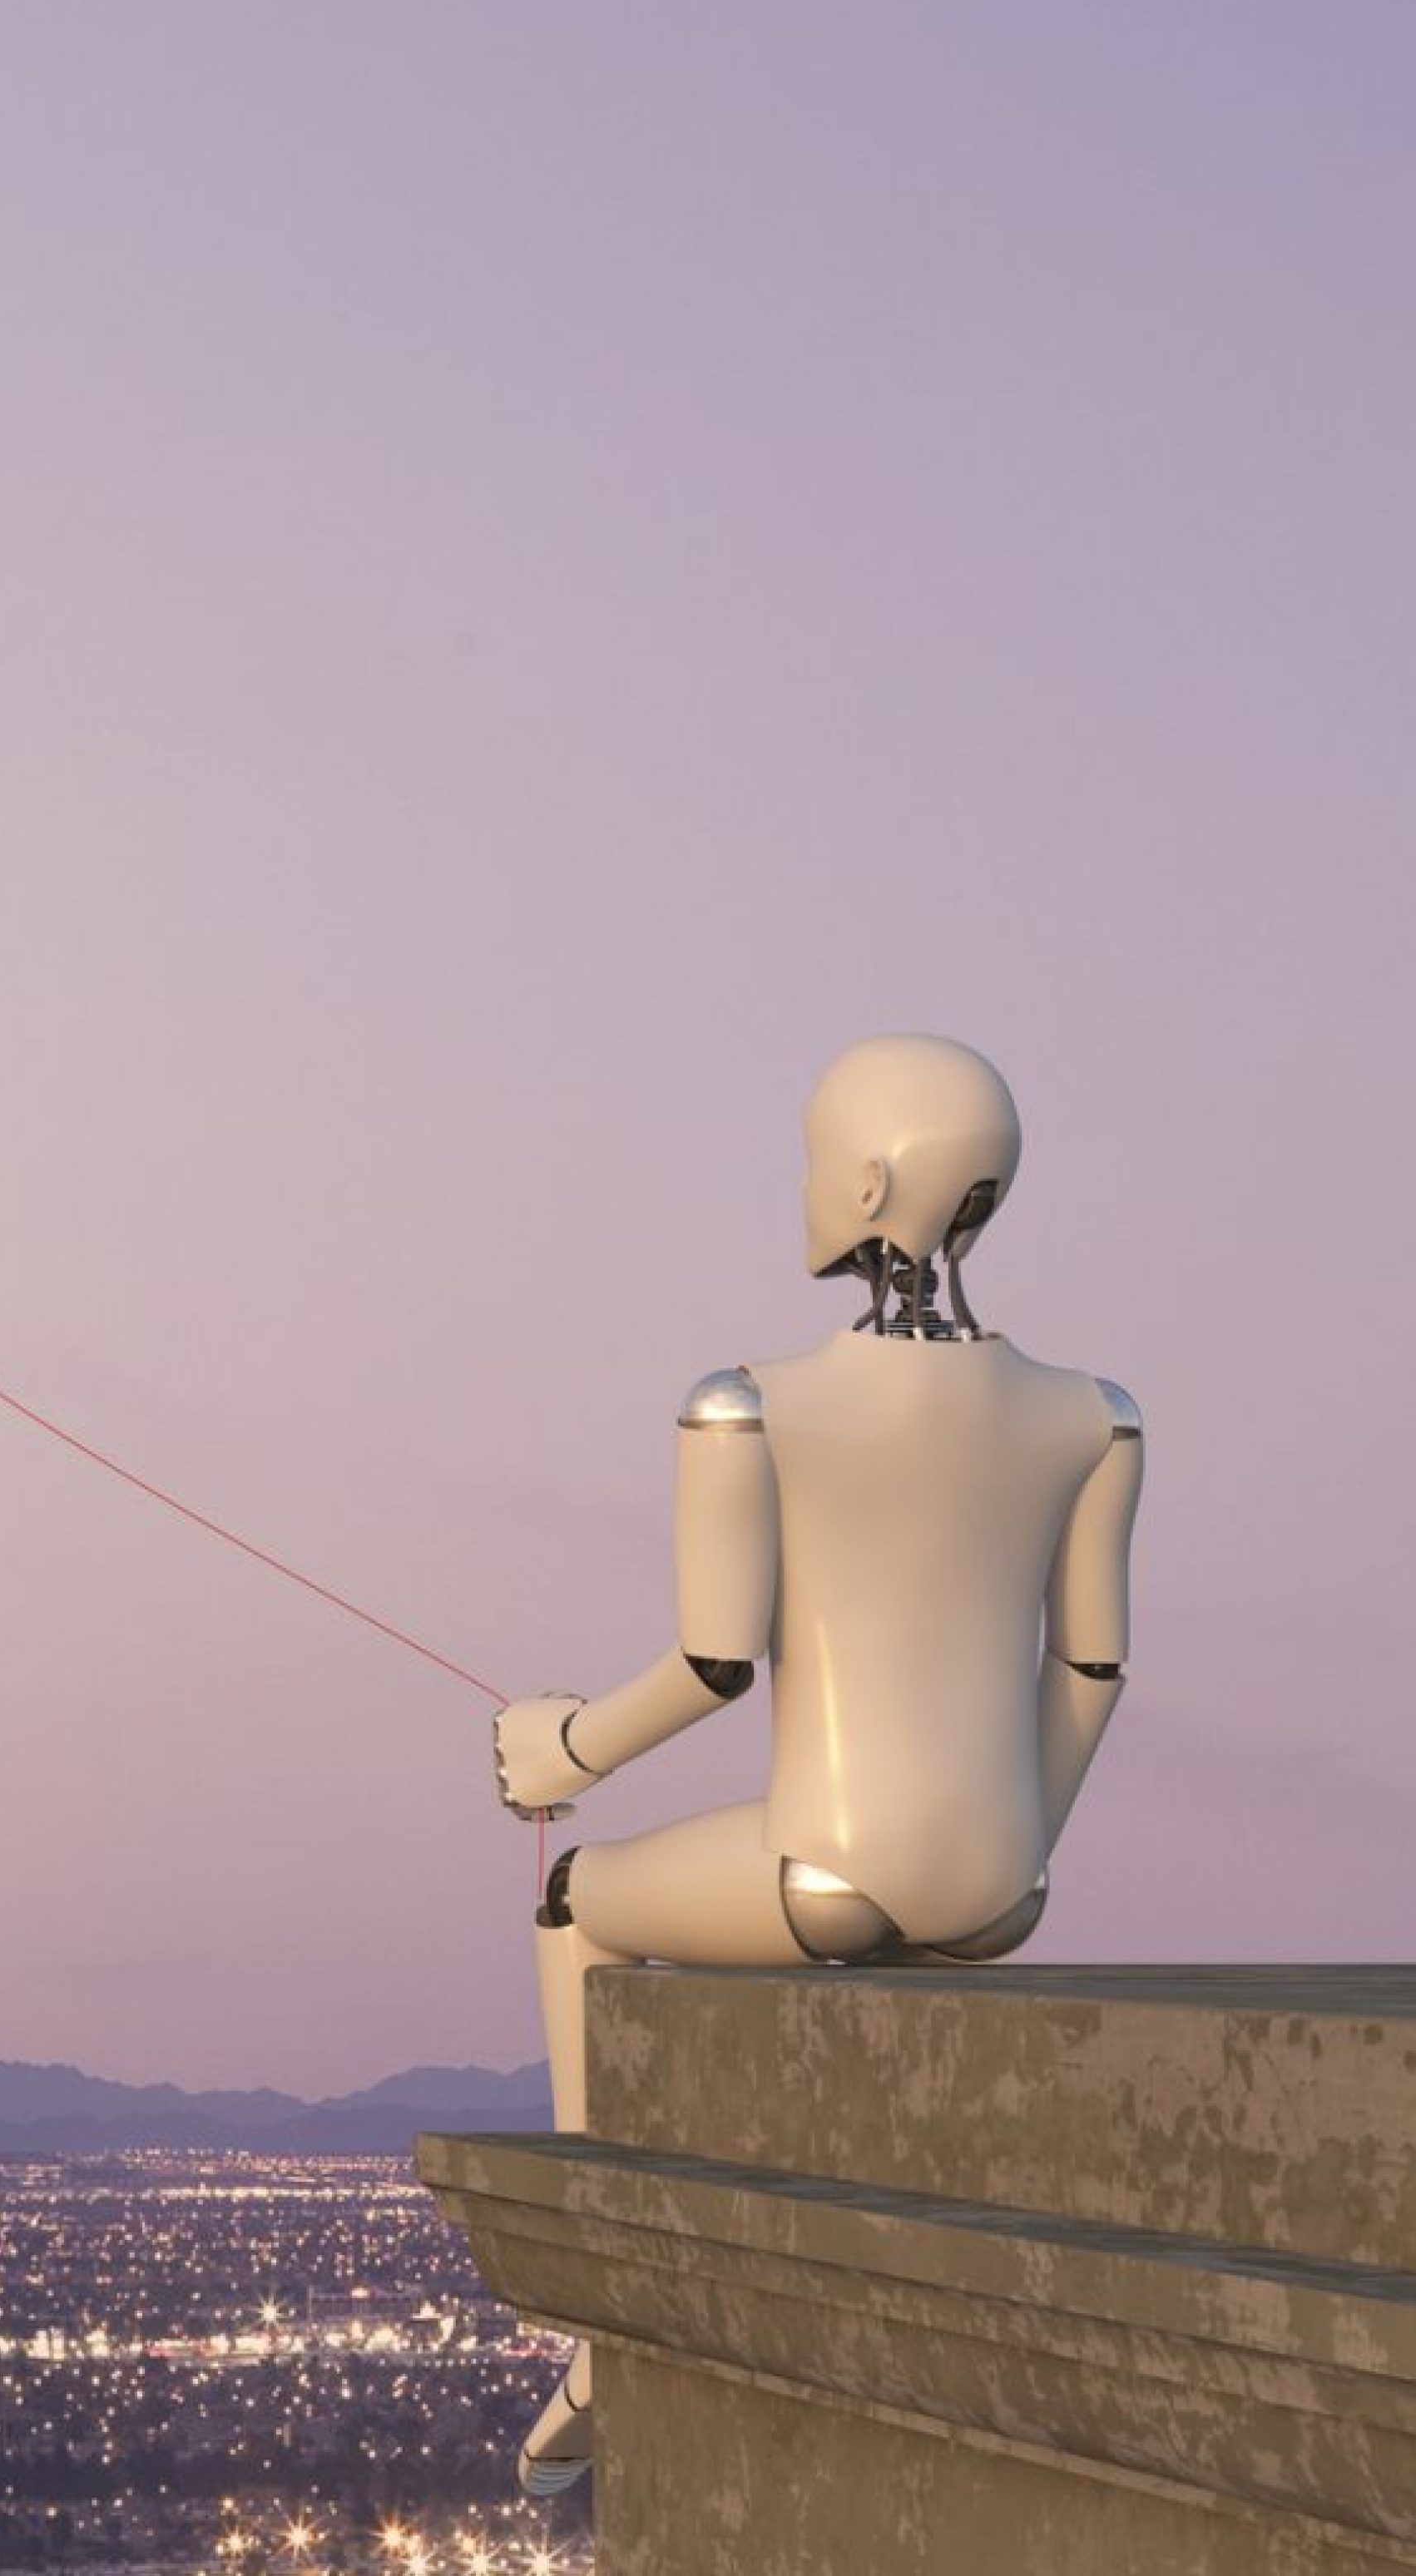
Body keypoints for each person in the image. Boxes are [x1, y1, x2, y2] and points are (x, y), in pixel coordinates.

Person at [486, 1033, 1144, 2497]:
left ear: (864, 1180)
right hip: (1005, 1895)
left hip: (824, 1869)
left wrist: (561, 1748)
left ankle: (600, 2315)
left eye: (806, 1158)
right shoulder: (1095, 1417)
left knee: (580, 1904)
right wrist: (1019, 1844)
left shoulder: (751, 1403)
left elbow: (717, 1664)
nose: (799, 1188)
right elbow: (1090, 1670)